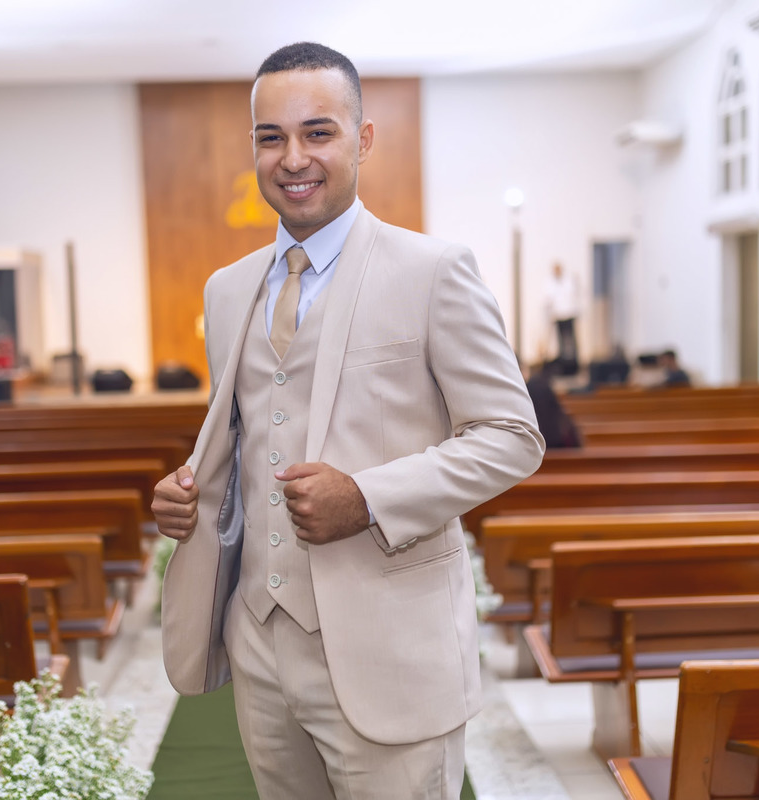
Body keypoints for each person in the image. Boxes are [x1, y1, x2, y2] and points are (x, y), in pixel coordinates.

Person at [151, 42, 544, 799]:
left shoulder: (432, 271)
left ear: (362, 140)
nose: (294, 158)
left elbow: (512, 437)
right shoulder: (227, 290)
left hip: (391, 644)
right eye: (272, 137)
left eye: (318, 132)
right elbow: (250, 439)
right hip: (260, 640)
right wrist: (191, 498)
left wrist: (367, 497)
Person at [543, 261, 580, 373]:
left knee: (571, 340)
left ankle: (574, 363)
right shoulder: (550, 282)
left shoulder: (568, 280)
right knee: (561, 341)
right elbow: (549, 298)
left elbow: (573, 295)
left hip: (569, 314)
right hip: (558, 315)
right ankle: (563, 363)